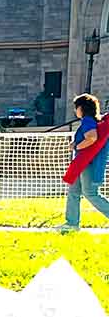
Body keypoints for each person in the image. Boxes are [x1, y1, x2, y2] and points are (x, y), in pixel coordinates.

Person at [62, 92, 109, 229]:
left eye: (76, 107)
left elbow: (91, 138)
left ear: (82, 108)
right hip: (83, 162)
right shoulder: (94, 120)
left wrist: (76, 145)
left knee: (91, 194)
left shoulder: (87, 120)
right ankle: (71, 223)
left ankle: (72, 223)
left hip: (86, 163)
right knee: (74, 192)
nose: (75, 110)